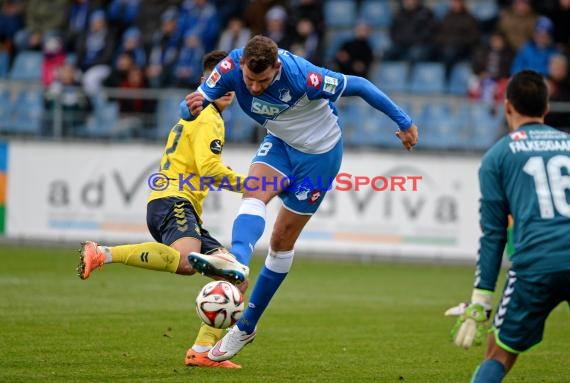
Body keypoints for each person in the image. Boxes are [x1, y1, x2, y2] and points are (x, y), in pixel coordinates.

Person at [179, 35, 419, 362]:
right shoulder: (230, 66)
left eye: (263, 81)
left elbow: (361, 85)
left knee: (280, 241)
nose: (254, 87)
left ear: (276, 68)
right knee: (254, 192)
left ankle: (246, 325)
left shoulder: (303, 76)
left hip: (320, 156)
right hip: (280, 144)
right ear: (242, 66)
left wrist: (404, 122)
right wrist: (189, 108)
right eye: (249, 79)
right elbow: (190, 105)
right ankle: (237, 261)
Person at [76, 50, 249, 369]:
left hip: (176, 204)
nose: (227, 87)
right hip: (174, 200)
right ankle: (102, 253)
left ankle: (202, 351)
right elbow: (210, 168)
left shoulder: (194, 113)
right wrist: (253, 184)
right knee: (186, 262)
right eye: (220, 80)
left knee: (236, 276)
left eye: (233, 82)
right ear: (205, 81)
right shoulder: (208, 116)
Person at [445, 70, 570, 382]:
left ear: (507, 106)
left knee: (498, 354)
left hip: (535, 264)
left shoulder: (497, 156)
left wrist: (481, 301)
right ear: (546, 107)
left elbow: (494, 234)